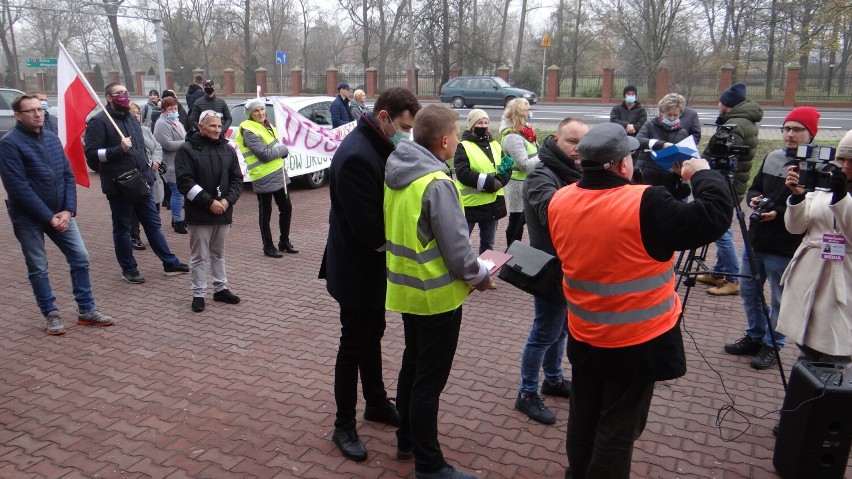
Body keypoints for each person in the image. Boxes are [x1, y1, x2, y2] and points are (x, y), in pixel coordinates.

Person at [547, 123, 732, 478]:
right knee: (618, 427)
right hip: (636, 340)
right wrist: (703, 176)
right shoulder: (645, 202)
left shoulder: (562, 198)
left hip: (586, 333)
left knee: (584, 417)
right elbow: (711, 217)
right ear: (620, 165)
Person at [385, 104, 492, 479]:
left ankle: (406, 439)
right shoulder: (436, 183)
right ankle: (429, 464)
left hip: (406, 289)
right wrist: (481, 276)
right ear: (445, 140)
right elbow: (459, 251)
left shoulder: (398, 170)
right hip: (438, 295)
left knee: (412, 364)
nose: (458, 141)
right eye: (458, 136)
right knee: (429, 380)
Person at [319, 87, 420, 462]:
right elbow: (372, 230)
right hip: (356, 268)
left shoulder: (378, 144)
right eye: (403, 126)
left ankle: (375, 401)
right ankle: (343, 424)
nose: (405, 133)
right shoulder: (358, 155)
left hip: (371, 267)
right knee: (353, 343)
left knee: (372, 334)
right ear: (383, 117)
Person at [0, 93, 115, 335]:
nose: (38, 113)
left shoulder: (51, 138)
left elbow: (67, 175)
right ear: (18, 116)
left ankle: (86, 310)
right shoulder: (9, 144)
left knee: (80, 257)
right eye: (31, 111)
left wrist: (68, 210)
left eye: (40, 109)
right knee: (38, 266)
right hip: (29, 217)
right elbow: (18, 187)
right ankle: (50, 313)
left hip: (60, 213)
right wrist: (48, 216)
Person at [722, 107, 815, 370]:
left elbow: (815, 205)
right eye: (787, 128)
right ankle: (754, 335)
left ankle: (772, 345)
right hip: (756, 238)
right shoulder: (773, 157)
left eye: (798, 130)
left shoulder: (819, 166)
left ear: (810, 133)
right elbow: (756, 186)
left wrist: (780, 212)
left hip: (785, 245)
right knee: (750, 292)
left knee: (778, 299)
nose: (790, 135)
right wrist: (754, 198)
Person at [515, 117, 588, 425]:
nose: (578, 149)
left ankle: (554, 379)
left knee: (560, 329)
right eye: (572, 142)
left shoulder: (574, 172)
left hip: (570, 265)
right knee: (544, 332)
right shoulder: (541, 175)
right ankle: (527, 393)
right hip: (549, 267)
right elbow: (555, 214)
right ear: (556, 141)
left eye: (583, 144)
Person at [83, 82, 189, 284]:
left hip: (141, 182)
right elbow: (91, 155)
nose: (124, 95)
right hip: (119, 185)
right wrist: (117, 150)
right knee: (122, 228)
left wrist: (149, 174)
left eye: (126, 92)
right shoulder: (99, 122)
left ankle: (169, 262)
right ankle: (129, 268)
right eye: (119, 93)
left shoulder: (132, 120)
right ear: (109, 98)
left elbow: (141, 151)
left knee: (153, 224)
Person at [775, 129, 852, 366]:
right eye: (841, 159)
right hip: (809, 273)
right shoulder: (825, 183)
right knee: (806, 344)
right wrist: (797, 197)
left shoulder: (838, 191)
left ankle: (831, 400)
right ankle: (802, 400)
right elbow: (796, 228)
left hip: (843, 279)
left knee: (835, 347)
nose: (846, 166)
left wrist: (842, 199)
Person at [697, 83, 764, 296]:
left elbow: (719, 153)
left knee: (722, 231)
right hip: (734, 181)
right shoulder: (744, 120)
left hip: (726, 183)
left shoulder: (735, 124)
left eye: (720, 101)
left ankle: (733, 279)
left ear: (727, 104)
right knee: (726, 227)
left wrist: (702, 163)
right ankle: (719, 272)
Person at [175, 110, 244, 313]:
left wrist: (227, 201)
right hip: (199, 213)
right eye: (212, 126)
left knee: (218, 253)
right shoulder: (187, 150)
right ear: (200, 127)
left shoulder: (228, 149)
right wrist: (209, 202)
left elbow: (237, 179)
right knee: (198, 256)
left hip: (223, 210)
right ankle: (198, 293)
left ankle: (220, 288)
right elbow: (185, 182)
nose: (217, 130)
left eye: (219, 126)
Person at [235, 99, 298, 258]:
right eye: (256, 111)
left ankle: (284, 241)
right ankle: (268, 246)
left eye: (262, 109)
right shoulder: (248, 130)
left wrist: (281, 151)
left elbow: (273, 149)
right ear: (250, 114)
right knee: (266, 213)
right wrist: (284, 150)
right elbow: (264, 154)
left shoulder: (268, 126)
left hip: (279, 173)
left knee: (286, 208)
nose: (260, 113)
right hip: (263, 176)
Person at [453, 109, 511, 257]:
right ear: (472, 125)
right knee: (462, 243)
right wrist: (490, 183)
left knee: (488, 244)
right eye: (480, 122)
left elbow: (506, 167)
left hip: (492, 204)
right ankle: (465, 271)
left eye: (486, 122)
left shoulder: (496, 145)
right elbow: (463, 173)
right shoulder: (463, 146)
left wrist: (499, 181)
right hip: (470, 204)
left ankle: (486, 275)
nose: (484, 125)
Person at [635, 93, 692, 200]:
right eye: (669, 115)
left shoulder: (682, 133)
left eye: (675, 115)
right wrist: (661, 145)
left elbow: (685, 158)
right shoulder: (650, 125)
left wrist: (681, 172)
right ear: (661, 112)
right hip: (647, 177)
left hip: (669, 182)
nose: (672, 118)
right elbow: (637, 141)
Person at [500, 98, 539, 245]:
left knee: (525, 220)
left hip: (529, 182)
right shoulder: (512, 137)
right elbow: (525, 164)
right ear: (521, 113)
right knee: (516, 222)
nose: (531, 112)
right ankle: (512, 250)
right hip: (518, 185)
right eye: (528, 109)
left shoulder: (527, 132)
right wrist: (543, 156)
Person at [127, 102, 165, 250]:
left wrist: (156, 160)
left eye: (137, 112)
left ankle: (154, 234)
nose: (136, 115)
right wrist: (147, 162)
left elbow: (157, 147)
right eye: (132, 112)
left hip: (152, 174)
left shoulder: (146, 130)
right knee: (136, 209)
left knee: (155, 205)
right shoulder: (124, 132)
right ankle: (134, 235)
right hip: (137, 176)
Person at [153, 96, 188, 234]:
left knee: (180, 193)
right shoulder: (162, 123)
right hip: (170, 163)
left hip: (180, 162)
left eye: (175, 108)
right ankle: (177, 221)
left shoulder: (176, 121)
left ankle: (177, 218)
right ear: (164, 110)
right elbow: (166, 144)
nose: (174, 111)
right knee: (177, 192)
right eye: (170, 109)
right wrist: (187, 143)